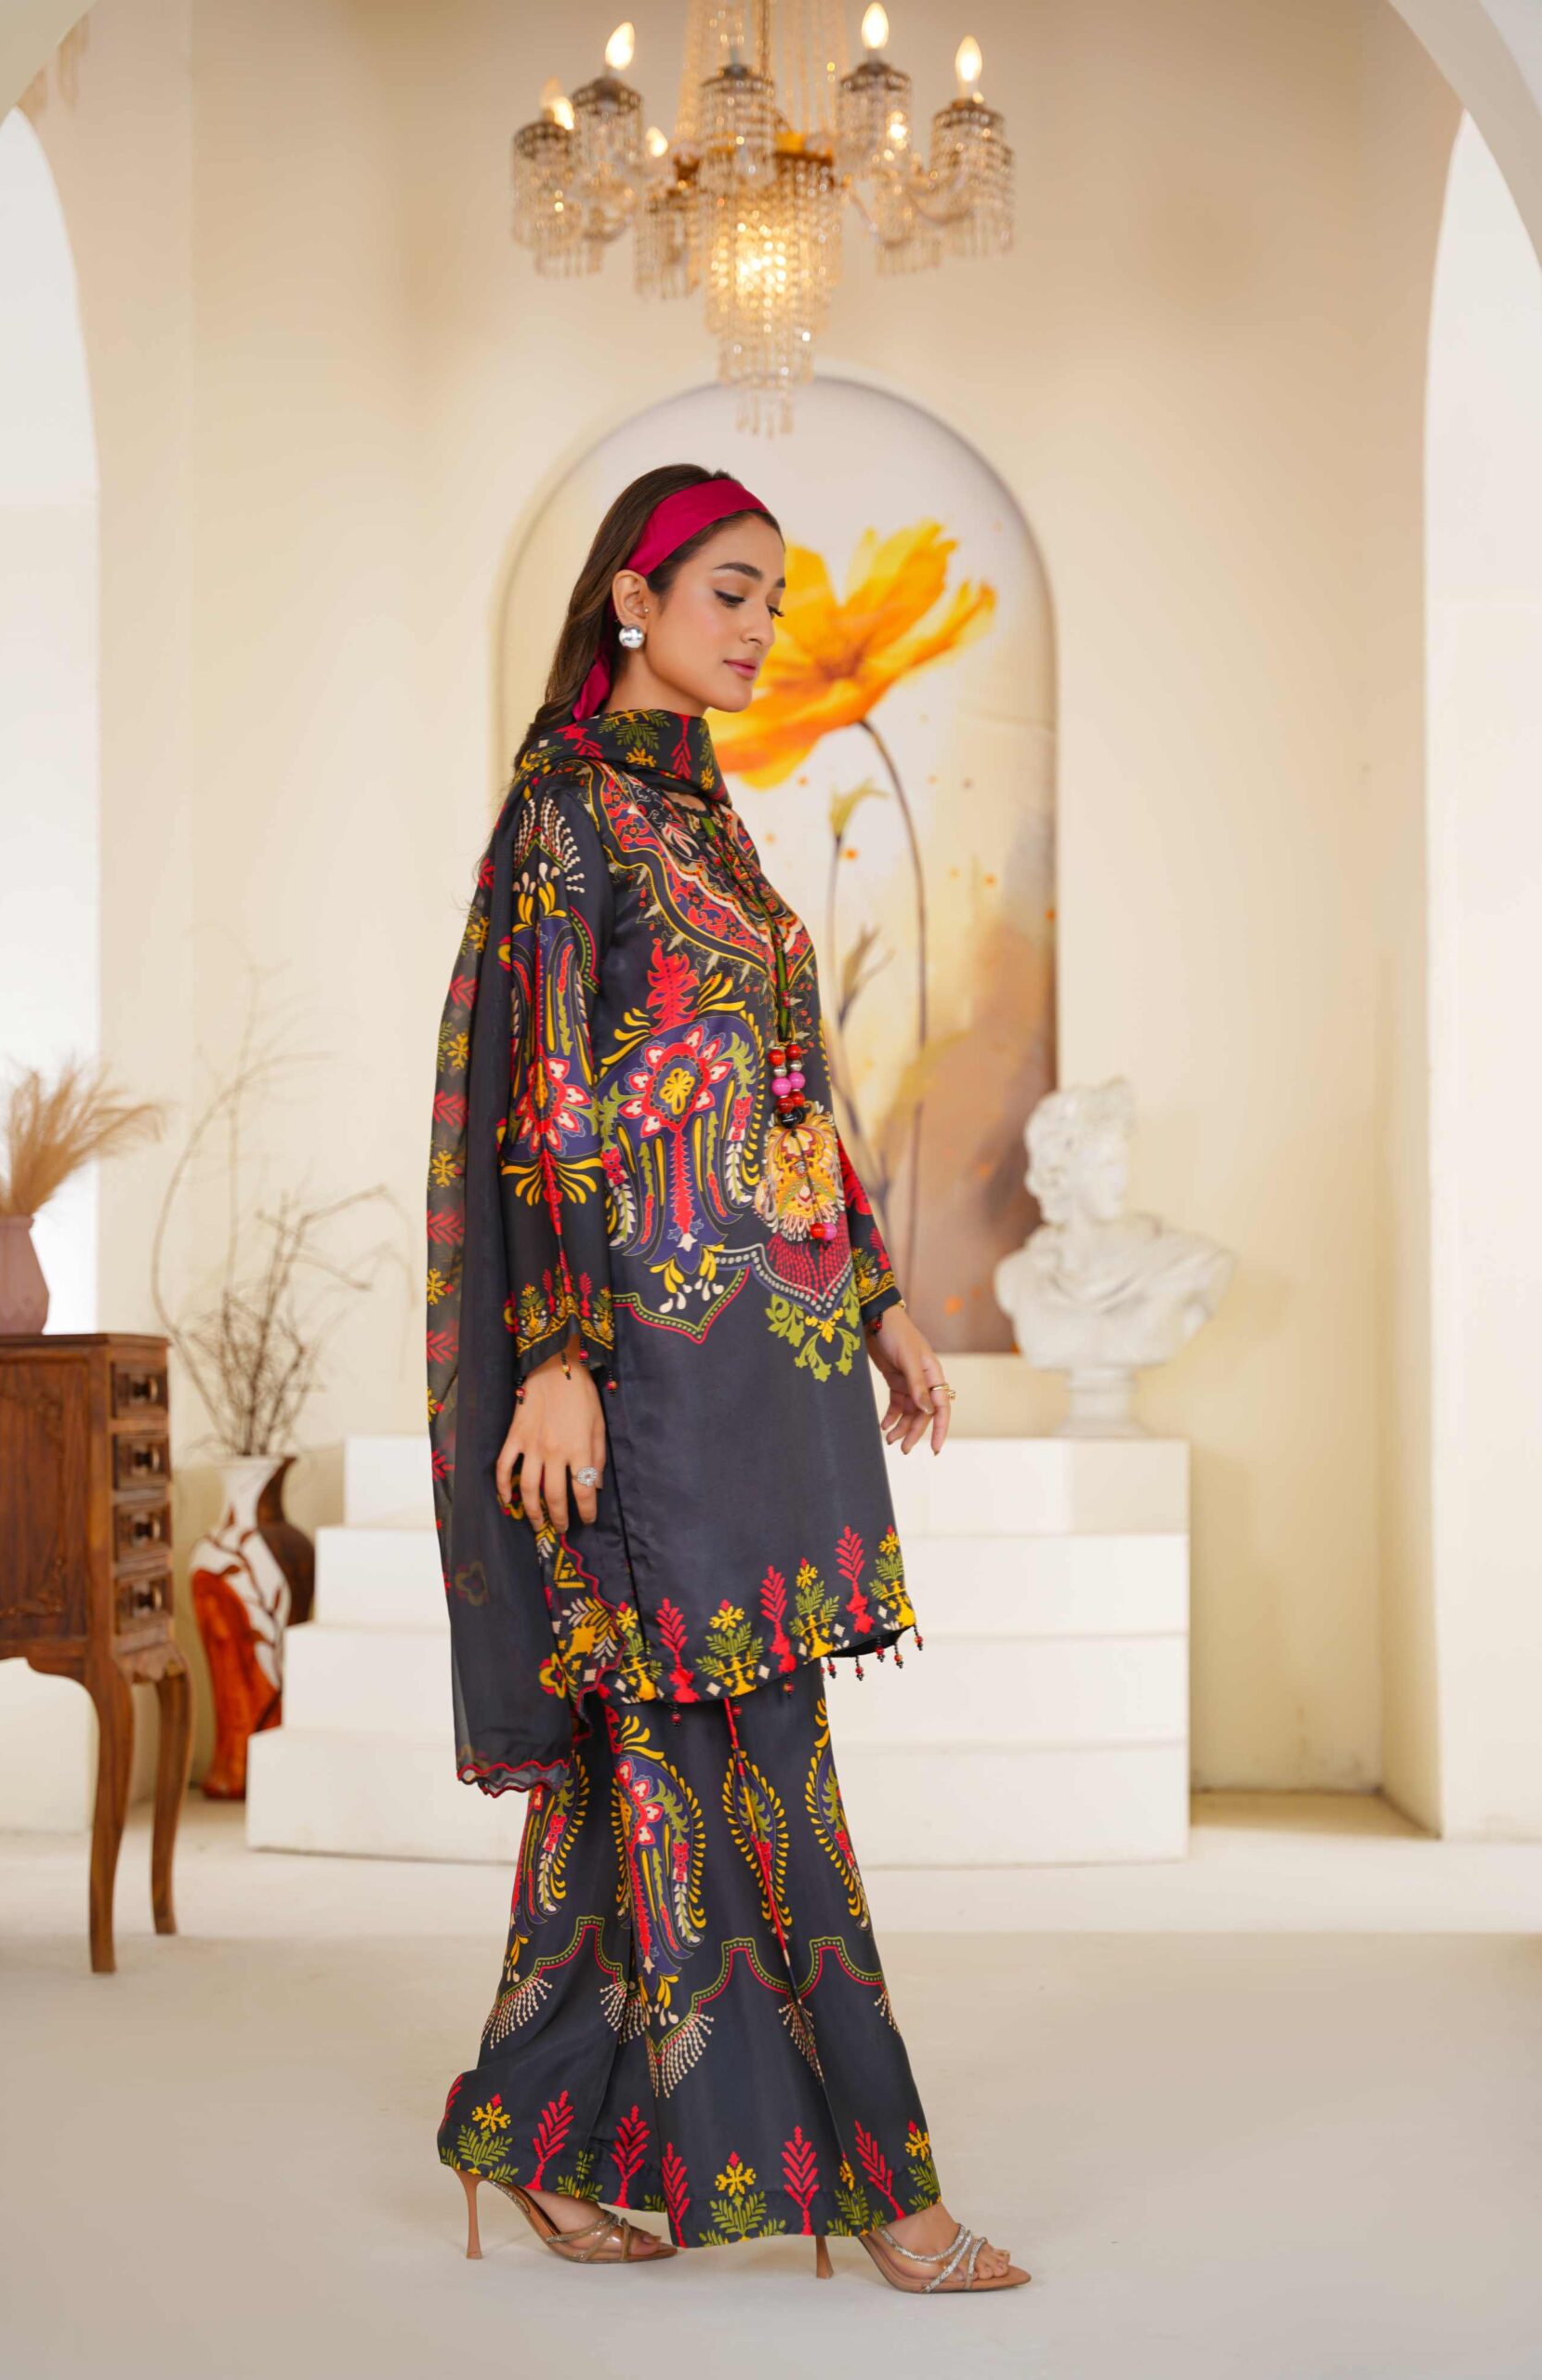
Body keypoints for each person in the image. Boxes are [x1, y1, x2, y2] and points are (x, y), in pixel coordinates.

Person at [425, 463, 1030, 2294]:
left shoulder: (712, 823)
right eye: (731, 592)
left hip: (769, 1361)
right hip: (649, 1379)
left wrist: (877, 1296)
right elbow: (544, 1097)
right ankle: (891, 2192)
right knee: (755, 1753)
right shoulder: (565, 809)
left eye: (777, 596)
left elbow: (787, 1082)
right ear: (635, 595)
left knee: (662, 1758)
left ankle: (523, 2129)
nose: (763, 626)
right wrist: (554, 1357)